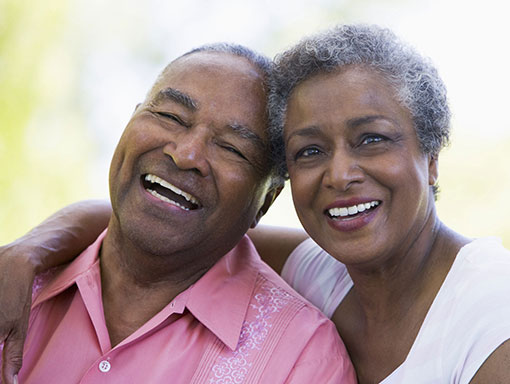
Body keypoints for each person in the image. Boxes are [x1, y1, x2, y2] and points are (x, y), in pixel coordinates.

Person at [3, 23, 510, 383]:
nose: (340, 174)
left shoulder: (492, 311)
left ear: (432, 155)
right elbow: (160, 221)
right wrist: (27, 250)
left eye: (372, 139)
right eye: (310, 150)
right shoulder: (321, 270)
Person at [0, 43, 356, 384]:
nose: (186, 154)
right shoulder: (17, 284)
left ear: (265, 201)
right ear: (130, 121)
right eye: (171, 116)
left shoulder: (301, 359)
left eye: (232, 147)